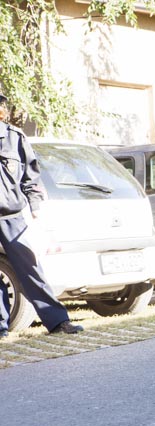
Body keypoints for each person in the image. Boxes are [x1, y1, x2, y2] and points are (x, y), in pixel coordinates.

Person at [0, 93, 83, 337]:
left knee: (31, 270)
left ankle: (58, 322)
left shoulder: (14, 138)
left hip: (12, 217)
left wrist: (36, 209)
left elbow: (31, 178)